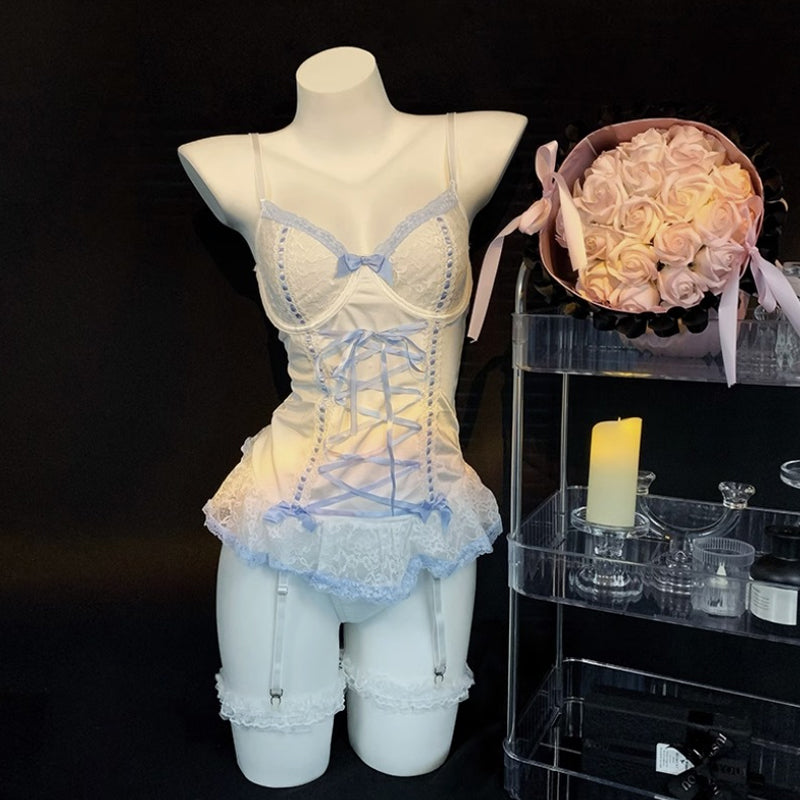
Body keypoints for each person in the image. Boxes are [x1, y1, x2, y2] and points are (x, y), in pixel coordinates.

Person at [178, 46, 526, 787]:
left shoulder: (474, 143)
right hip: (285, 534)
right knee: (278, 770)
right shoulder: (232, 165)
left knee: (411, 763)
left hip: (428, 533)